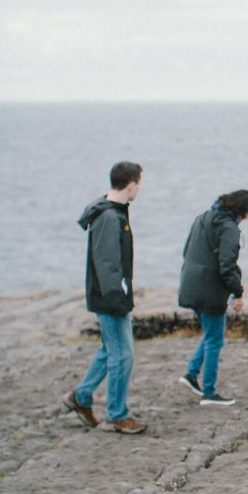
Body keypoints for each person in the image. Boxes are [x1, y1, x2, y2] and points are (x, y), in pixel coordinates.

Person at [62, 161, 147, 434]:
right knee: (123, 355)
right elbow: (107, 264)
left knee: (110, 350)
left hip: (107, 295)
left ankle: (81, 396)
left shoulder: (112, 211)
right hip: (109, 298)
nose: (140, 189)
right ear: (132, 185)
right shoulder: (110, 217)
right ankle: (118, 414)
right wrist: (119, 300)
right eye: (140, 184)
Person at [176, 189, 248, 406]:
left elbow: (186, 250)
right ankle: (209, 392)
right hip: (209, 289)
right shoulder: (230, 229)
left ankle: (191, 375)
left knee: (210, 333)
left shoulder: (203, 217)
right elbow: (227, 266)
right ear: (243, 211)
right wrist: (237, 293)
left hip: (190, 283)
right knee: (215, 339)